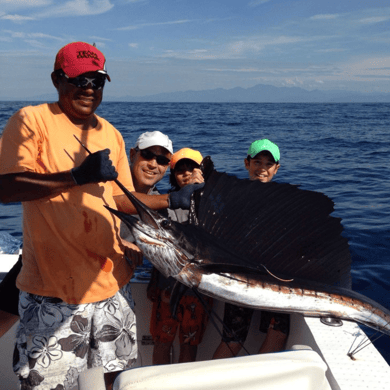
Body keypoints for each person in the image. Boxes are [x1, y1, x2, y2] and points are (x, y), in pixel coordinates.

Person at [0, 42, 201, 390]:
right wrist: (75, 176)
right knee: (45, 384)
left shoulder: (111, 134)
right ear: (56, 79)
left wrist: (171, 200)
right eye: (79, 79)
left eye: (97, 80)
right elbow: (6, 188)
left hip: (112, 285)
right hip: (55, 290)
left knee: (114, 377)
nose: (89, 88)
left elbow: (122, 199)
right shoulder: (31, 120)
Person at [213, 139, 290, 359]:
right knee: (233, 340)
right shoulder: (232, 197)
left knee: (278, 334)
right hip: (241, 275)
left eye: (268, 163)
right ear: (247, 163)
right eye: (257, 162)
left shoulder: (285, 202)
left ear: (277, 168)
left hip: (276, 276)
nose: (262, 168)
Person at [147, 148, 213, 365]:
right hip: (166, 288)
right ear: (173, 175)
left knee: (189, 343)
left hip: (198, 290)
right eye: (180, 170)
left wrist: (200, 189)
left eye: (191, 168)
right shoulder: (165, 204)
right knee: (162, 341)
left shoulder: (212, 204)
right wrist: (152, 282)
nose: (186, 174)